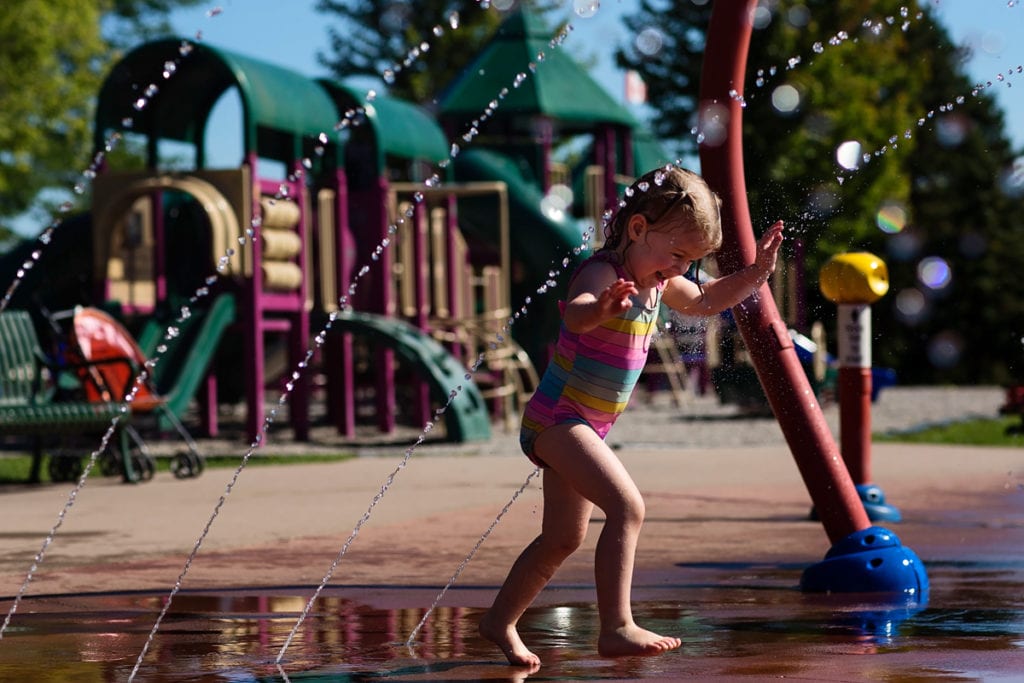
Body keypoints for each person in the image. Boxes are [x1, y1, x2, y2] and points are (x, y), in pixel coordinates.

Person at [479, 164, 785, 667]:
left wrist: (755, 276)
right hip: (559, 418)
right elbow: (574, 311)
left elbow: (707, 301)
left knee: (562, 538)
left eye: (691, 261)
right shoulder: (607, 273)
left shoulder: (661, 282)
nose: (682, 270)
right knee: (627, 508)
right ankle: (616, 627)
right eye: (679, 255)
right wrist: (600, 309)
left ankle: (500, 621)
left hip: (584, 426)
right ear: (639, 229)